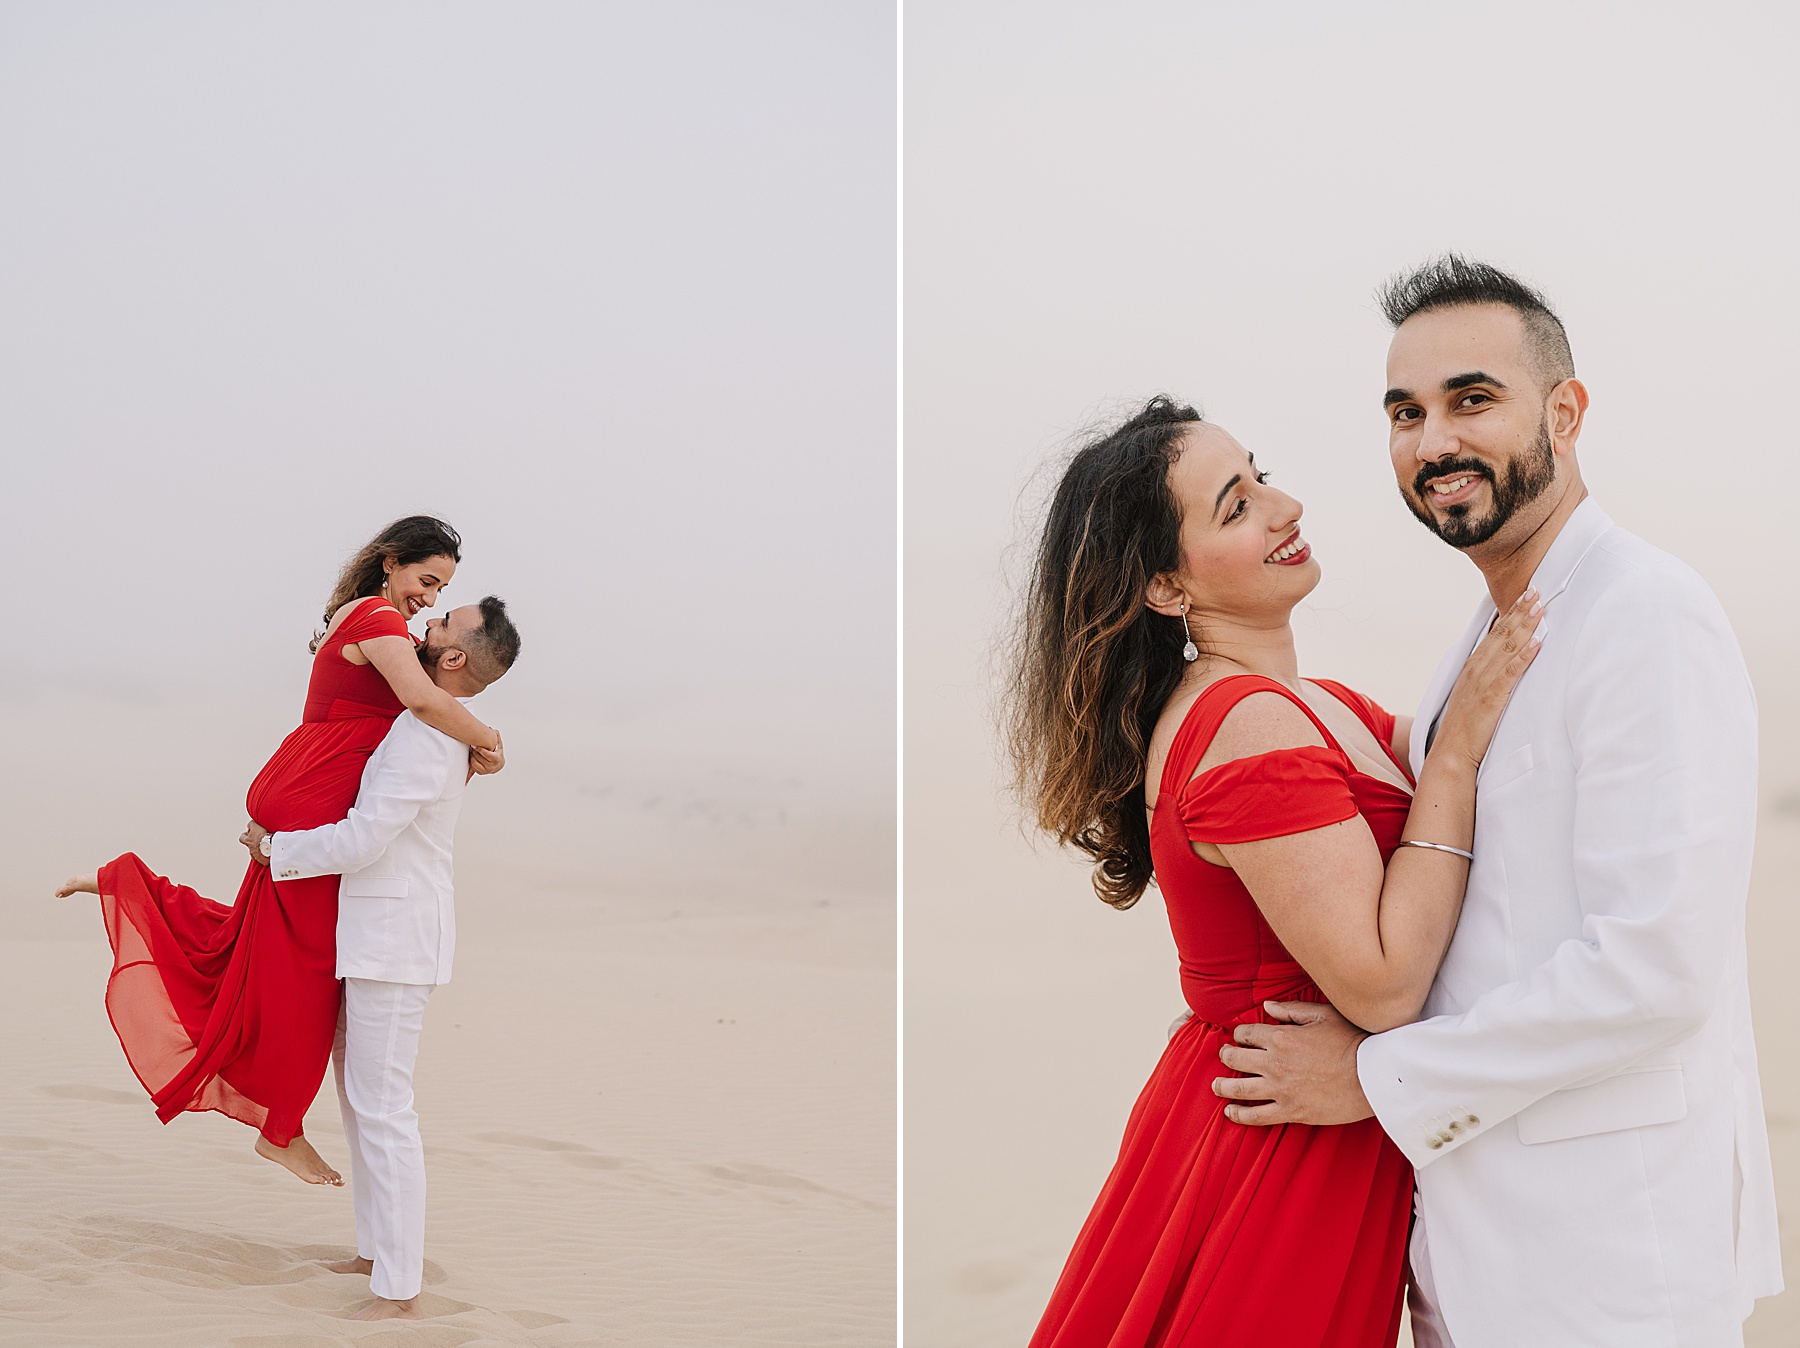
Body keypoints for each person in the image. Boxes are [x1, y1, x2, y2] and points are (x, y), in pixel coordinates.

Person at [1211, 256, 1782, 1347]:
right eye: (1405, 413)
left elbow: (1655, 966)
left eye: (1473, 400)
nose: (1433, 442)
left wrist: (1378, 1077)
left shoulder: (1647, 616)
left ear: (1564, 413)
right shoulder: (1481, 639)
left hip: (1611, 1267)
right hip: (1473, 1261)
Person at [1008, 395, 1542, 1347]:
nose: (1284, 504)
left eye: (1258, 474)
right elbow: (1381, 984)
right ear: (1168, 590)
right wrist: (1454, 754)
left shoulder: (1312, 703)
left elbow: (1499, 762)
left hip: (1305, 1126)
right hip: (1277, 1151)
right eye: (1236, 506)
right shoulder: (1244, 725)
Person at [57, 516, 505, 1186]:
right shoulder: (378, 619)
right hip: (318, 798)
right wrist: (490, 740)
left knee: (256, 945)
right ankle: (279, 1126)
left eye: (443, 589)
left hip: (307, 791)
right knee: (301, 971)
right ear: (390, 561)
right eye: (427, 579)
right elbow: (419, 699)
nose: (431, 599)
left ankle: (130, 888)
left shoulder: (380, 623)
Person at [235, 596, 519, 1321]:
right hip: (369, 939)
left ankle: (399, 1290)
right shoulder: (425, 725)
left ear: (453, 658)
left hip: (395, 945)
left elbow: (364, 841)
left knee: (385, 1109)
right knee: (363, 1105)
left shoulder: (427, 740)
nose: (424, 626)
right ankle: (374, 1250)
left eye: (440, 623)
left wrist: (277, 849)